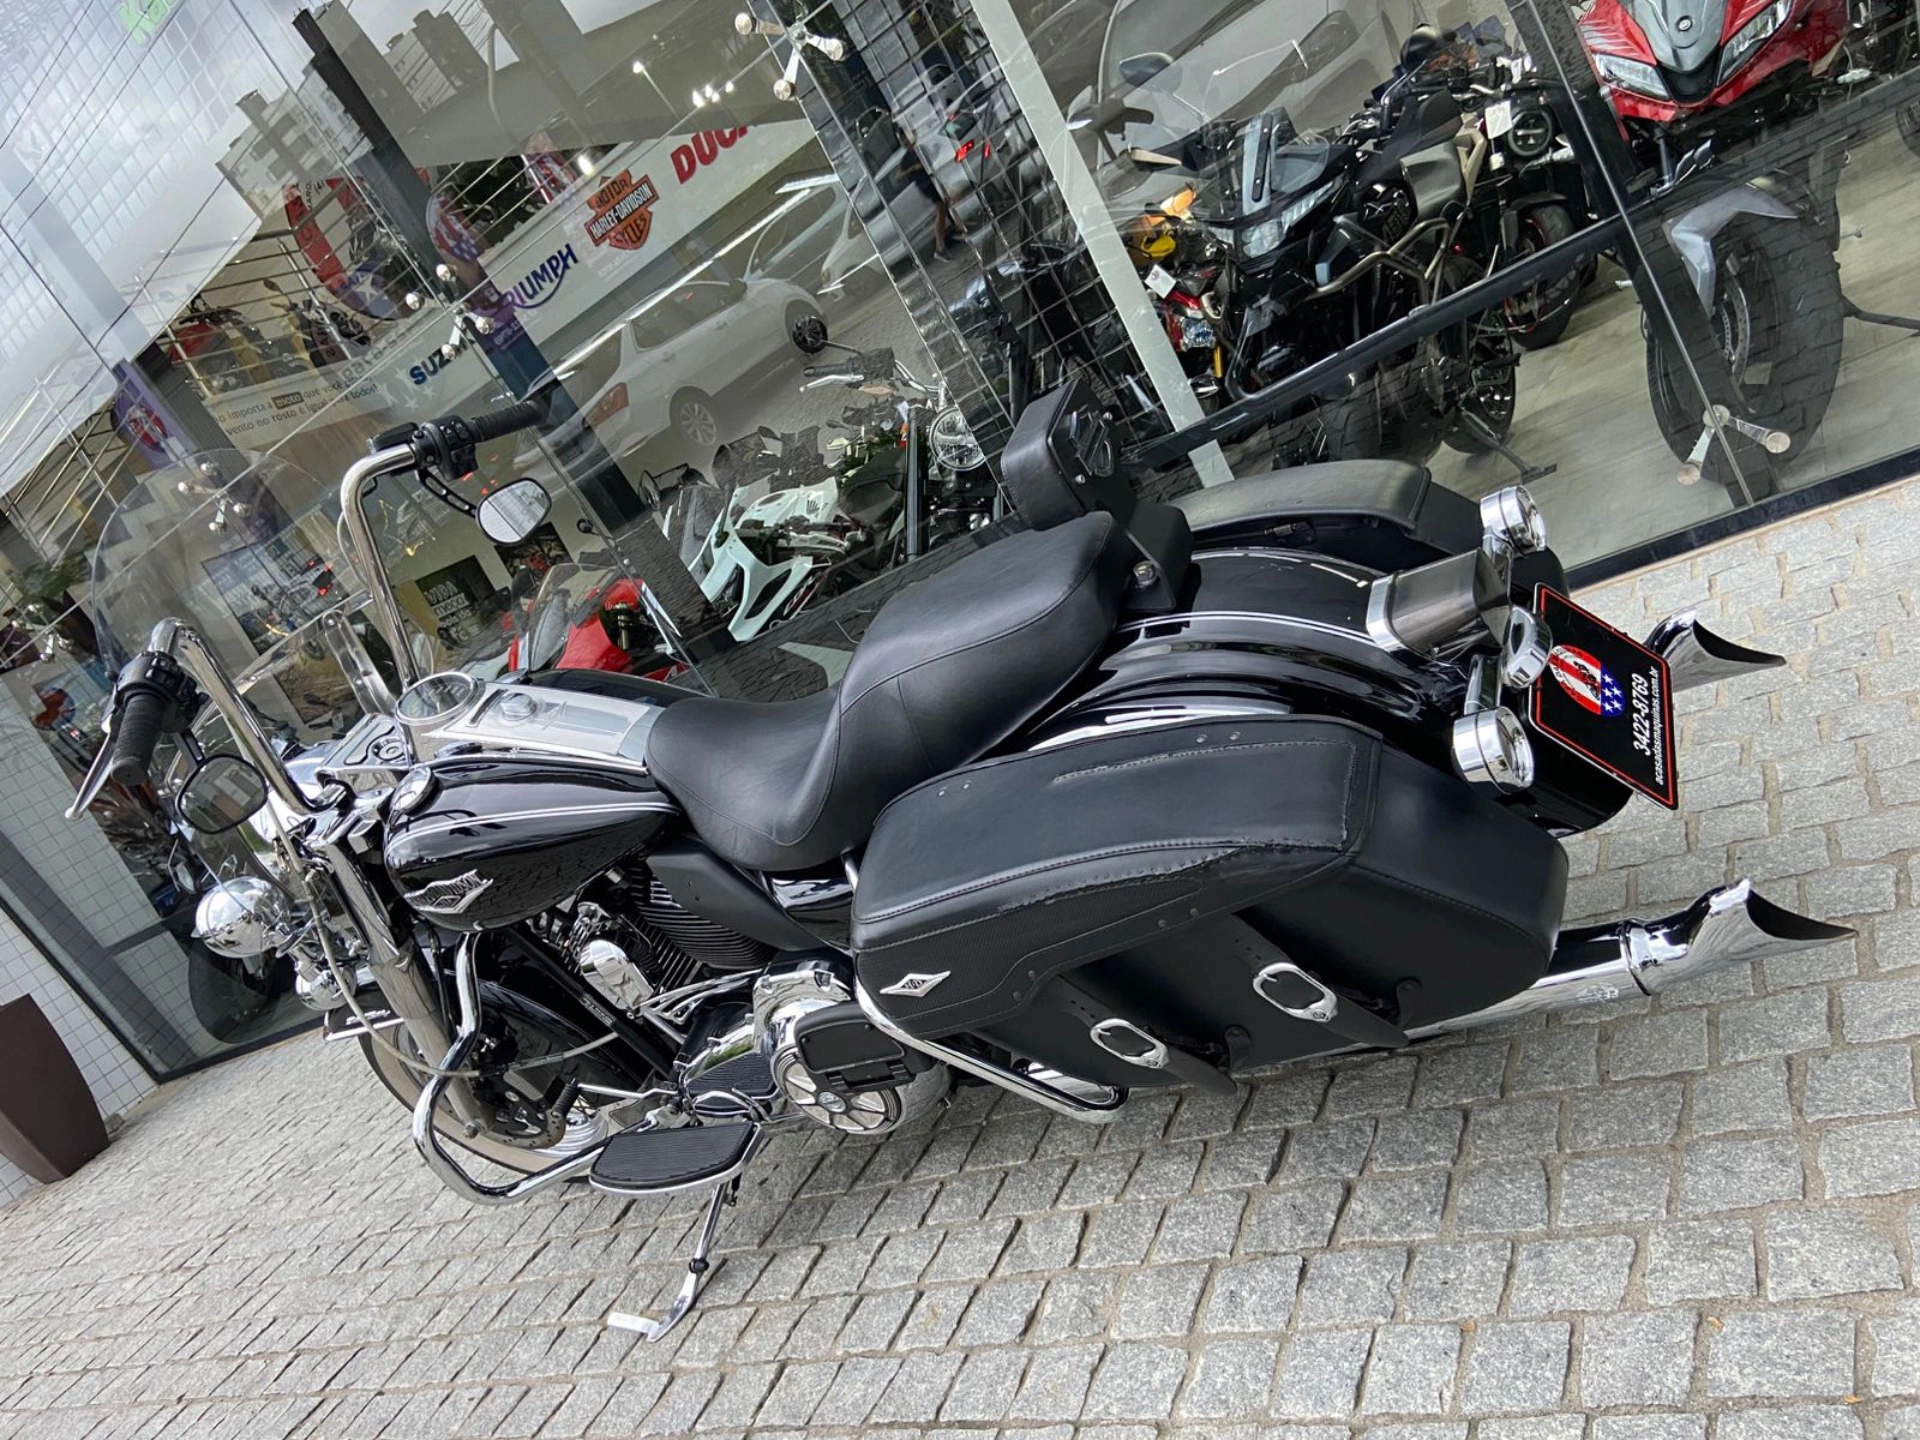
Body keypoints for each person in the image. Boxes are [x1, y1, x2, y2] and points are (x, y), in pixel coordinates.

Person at [894, 118, 958, 259]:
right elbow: (898, 176)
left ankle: (954, 228)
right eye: (905, 139)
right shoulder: (907, 159)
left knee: (946, 203)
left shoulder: (920, 149)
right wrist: (913, 169)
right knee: (941, 207)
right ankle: (940, 246)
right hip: (926, 185)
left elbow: (931, 159)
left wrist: (936, 152)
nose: (908, 141)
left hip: (933, 180)